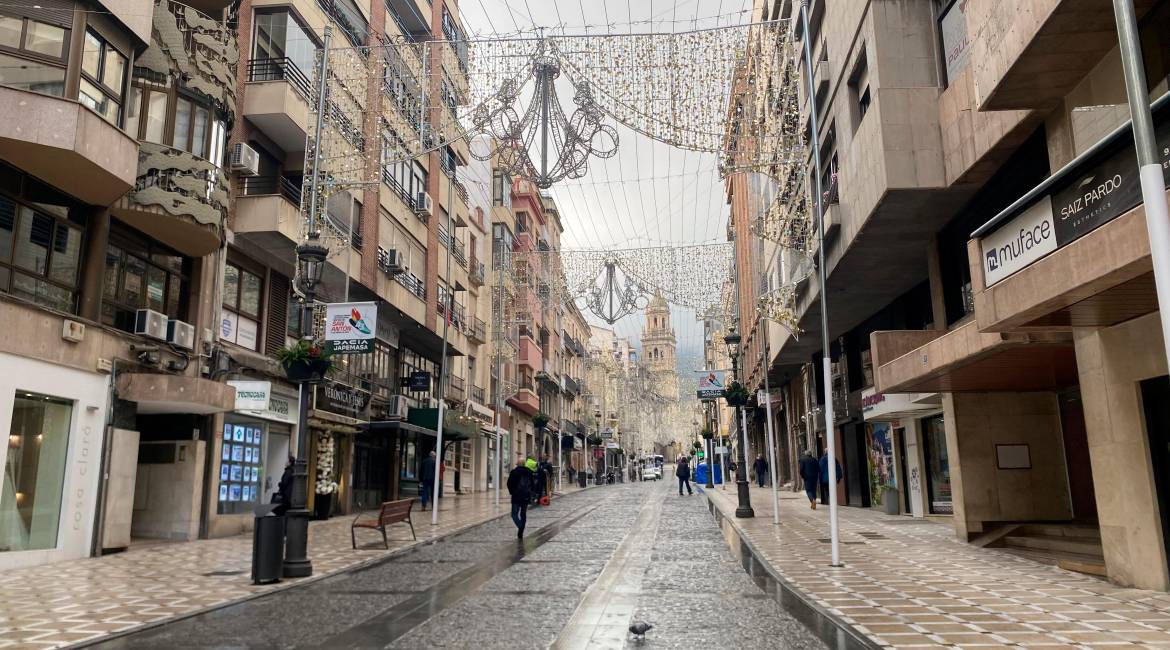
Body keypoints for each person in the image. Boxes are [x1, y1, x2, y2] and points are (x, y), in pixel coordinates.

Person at [507, 458, 533, 538]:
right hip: (525, 496)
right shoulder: (529, 472)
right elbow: (532, 484)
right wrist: (530, 494)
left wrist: (512, 492)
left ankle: (520, 528)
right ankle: (521, 531)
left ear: (517, 464)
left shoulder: (514, 472)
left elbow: (509, 484)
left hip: (516, 496)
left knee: (514, 514)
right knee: (523, 514)